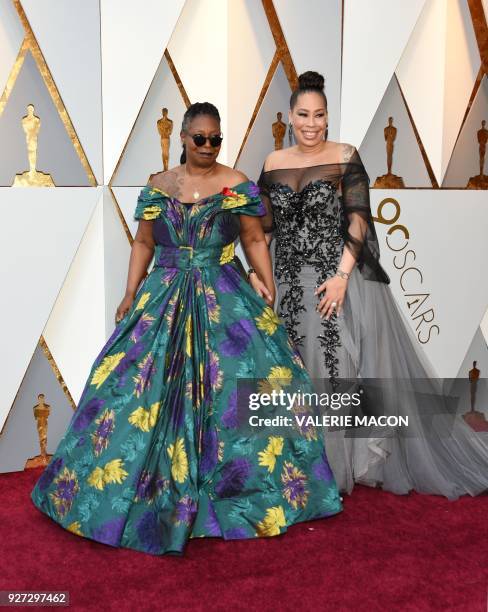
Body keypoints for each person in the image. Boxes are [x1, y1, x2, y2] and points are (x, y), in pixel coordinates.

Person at [31, 102, 342, 556]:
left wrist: (268, 283)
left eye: (216, 138)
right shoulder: (159, 187)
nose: (209, 146)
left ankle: (250, 494)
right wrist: (129, 293)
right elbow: (142, 242)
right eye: (201, 138)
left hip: (224, 293)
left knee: (252, 383)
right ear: (182, 137)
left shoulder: (237, 186)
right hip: (165, 293)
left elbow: (254, 237)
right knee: (127, 389)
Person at [255, 72, 488, 500]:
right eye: (303, 115)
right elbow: (263, 227)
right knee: (290, 375)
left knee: (334, 371)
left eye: (320, 115)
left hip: (332, 279)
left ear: (328, 117)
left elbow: (360, 218)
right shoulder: (272, 163)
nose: (312, 124)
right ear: (290, 116)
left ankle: (330, 471)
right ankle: (292, 467)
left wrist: (342, 277)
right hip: (285, 281)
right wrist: (256, 272)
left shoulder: (345, 155)